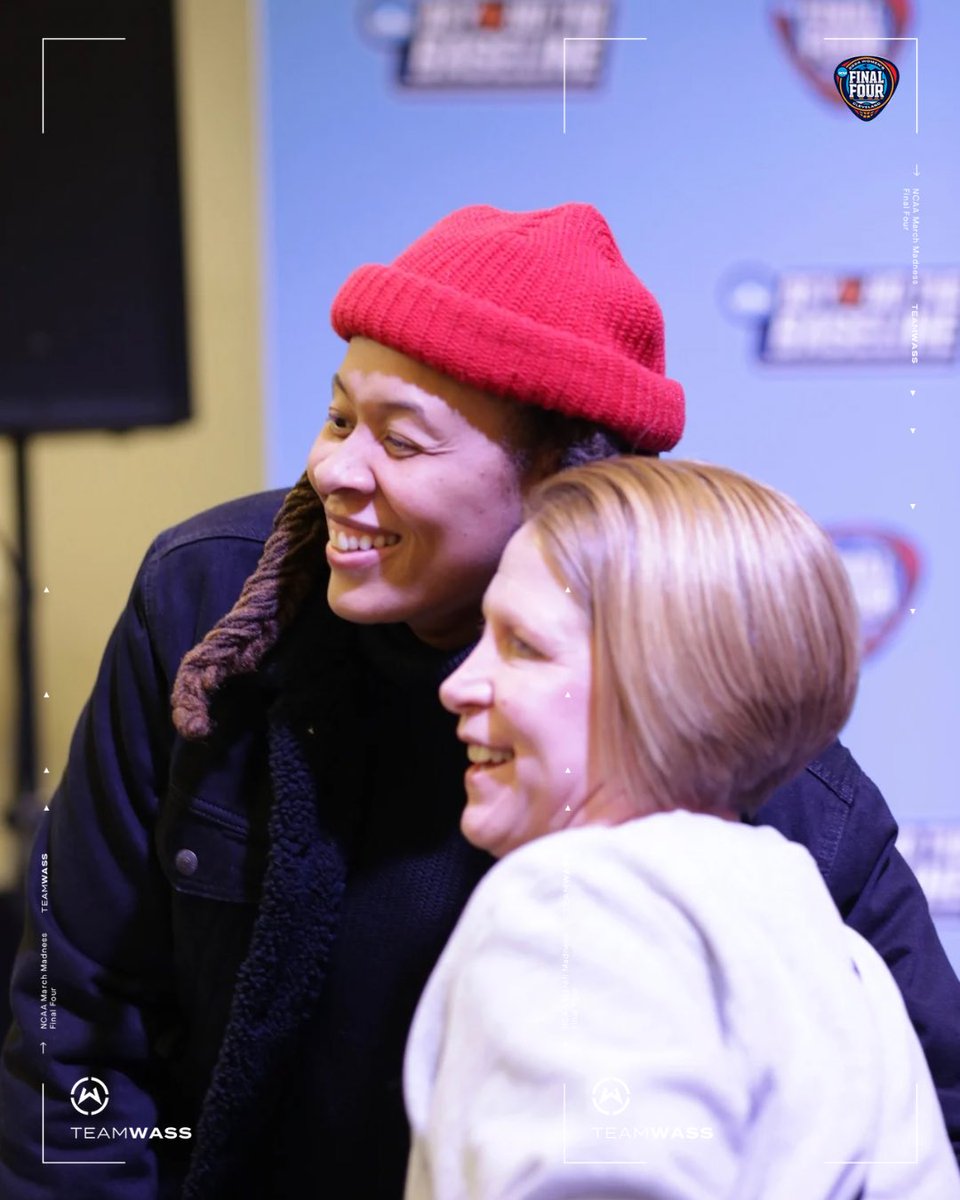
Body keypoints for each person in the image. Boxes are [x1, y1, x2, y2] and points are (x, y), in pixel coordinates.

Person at [0, 203, 957, 1199]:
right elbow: (78, 1025)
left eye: (403, 443)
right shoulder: (207, 608)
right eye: (336, 419)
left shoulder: (738, 762)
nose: (333, 469)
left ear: (566, 481)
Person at [403, 457, 960, 1198]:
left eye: (523, 646)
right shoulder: (841, 959)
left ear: (666, 683)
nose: (459, 684)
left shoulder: (579, 909)